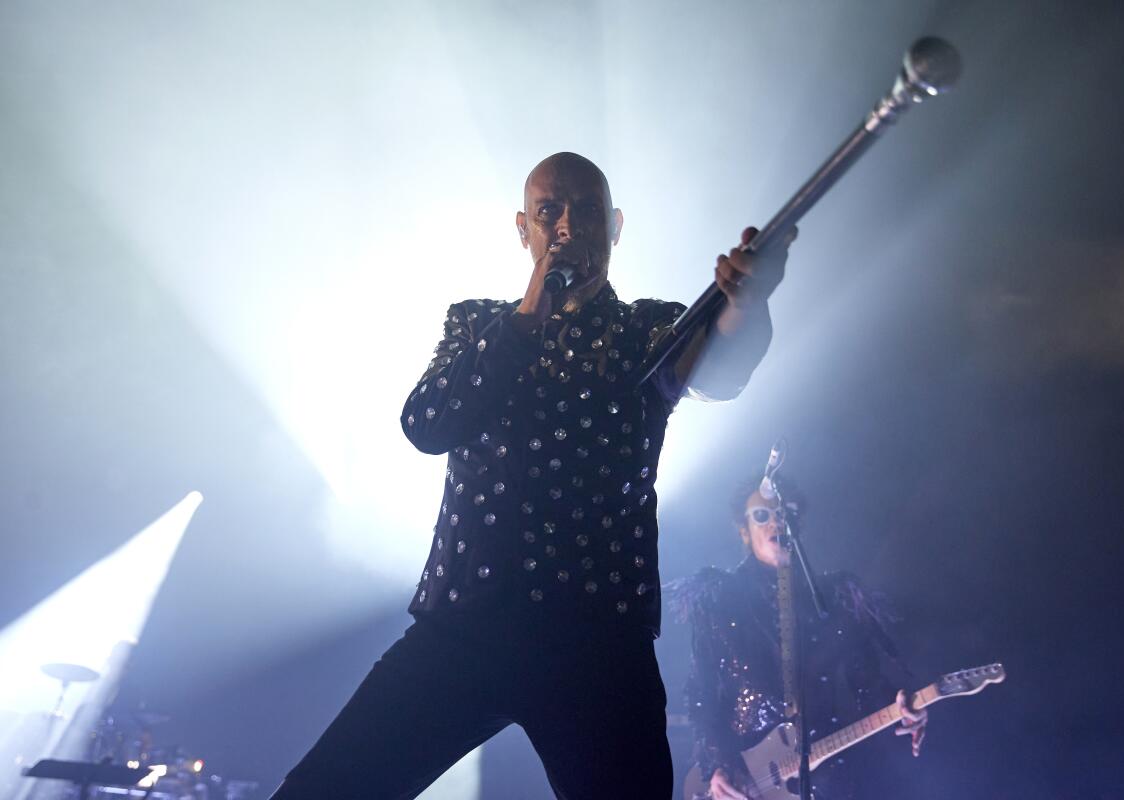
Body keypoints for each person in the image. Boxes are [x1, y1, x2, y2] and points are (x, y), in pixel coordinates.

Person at [269, 152, 796, 800]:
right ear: (525, 230)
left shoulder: (648, 329)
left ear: (617, 226)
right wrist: (526, 318)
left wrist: (748, 301)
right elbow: (426, 425)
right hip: (466, 626)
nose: (569, 226)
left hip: (597, 641)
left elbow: (723, 368)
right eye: (550, 211)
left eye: (588, 211)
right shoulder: (475, 323)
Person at [673, 474, 928, 800]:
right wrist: (718, 766)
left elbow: (868, 680)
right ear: (744, 532)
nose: (775, 522)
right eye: (762, 515)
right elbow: (701, 694)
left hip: (827, 775)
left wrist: (901, 704)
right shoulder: (719, 598)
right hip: (747, 778)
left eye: (785, 513)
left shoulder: (834, 598)